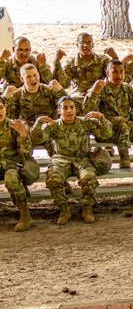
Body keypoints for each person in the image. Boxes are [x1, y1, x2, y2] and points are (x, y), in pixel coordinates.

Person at [32, 96, 112, 225]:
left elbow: (106, 134)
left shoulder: (85, 123)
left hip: (82, 160)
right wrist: (38, 123)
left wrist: (101, 118)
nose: (69, 111)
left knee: (89, 178)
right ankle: (64, 210)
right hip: (61, 160)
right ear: (59, 111)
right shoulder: (53, 126)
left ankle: (87, 209)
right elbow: (37, 139)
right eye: (65, 108)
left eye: (72, 107)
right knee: (53, 180)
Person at [0, 98, 33, 231]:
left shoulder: (14, 126)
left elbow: (26, 154)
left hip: (11, 163)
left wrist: (24, 134)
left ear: (5, 108)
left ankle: (25, 216)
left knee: (12, 179)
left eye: (1, 107)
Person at [53, 33, 117, 94]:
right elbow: (64, 84)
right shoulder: (70, 63)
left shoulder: (103, 60)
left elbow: (114, 78)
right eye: (82, 42)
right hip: (78, 95)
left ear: (93, 45)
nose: (86, 46)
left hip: (99, 94)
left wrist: (115, 58)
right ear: (77, 45)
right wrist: (56, 62)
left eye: (89, 42)